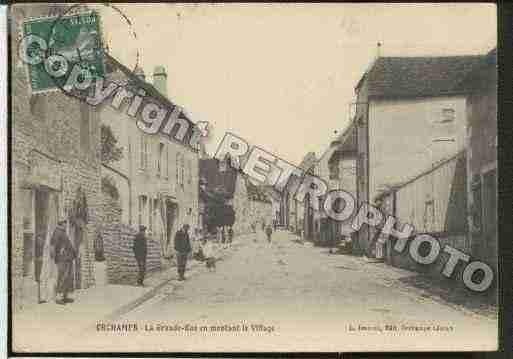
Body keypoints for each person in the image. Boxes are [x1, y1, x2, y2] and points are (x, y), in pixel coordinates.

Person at [50, 219, 76, 305]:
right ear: (62, 223)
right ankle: (58, 297)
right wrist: (55, 258)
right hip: (62, 259)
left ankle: (65, 296)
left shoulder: (63, 232)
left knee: (67, 277)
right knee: (62, 277)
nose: (66, 225)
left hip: (67, 258)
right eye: (65, 223)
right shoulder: (57, 232)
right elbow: (53, 245)